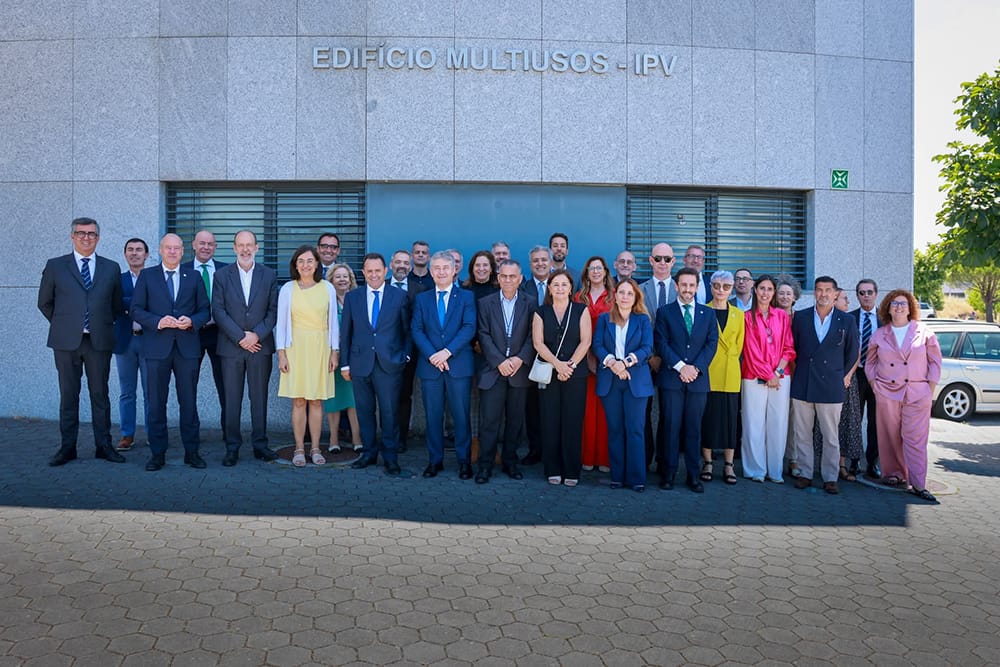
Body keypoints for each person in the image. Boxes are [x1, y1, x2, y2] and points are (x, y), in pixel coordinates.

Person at [39, 217, 126, 467]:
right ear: (72, 236)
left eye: (91, 234)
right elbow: (44, 302)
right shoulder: (56, 266)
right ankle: (67, 448)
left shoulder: (110, 268)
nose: (86, 237)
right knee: (69, 396)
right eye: (81, 233)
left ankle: (104, 446)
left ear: (98, 238)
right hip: (66, 342)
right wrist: (66, 324)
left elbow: (117, 305)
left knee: (100, 395)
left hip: (99, 341)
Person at [132, 233, 211, 471]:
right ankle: (157, 453)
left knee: (189, 402)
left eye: (177, 248)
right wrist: (157, 321)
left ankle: (192, 452)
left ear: (183, 251)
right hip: (156, 348)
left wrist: (191, 321)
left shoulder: (194, 276)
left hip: (187, 349)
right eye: (169, 248)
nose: (173, 252)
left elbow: (205, 310)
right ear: (160, 250)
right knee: (157, 403)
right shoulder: (147, 276)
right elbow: (135, 309)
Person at [865, 289, 942, 502]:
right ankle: (894, 474)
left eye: (903, 303)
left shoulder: (924, 331)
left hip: (917, 393)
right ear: (888, 308)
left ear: (910, 308)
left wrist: (930, 389)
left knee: (915, 439)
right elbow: (870, 362)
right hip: (887, 392)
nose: (899, 306)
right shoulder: (880, 334)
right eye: (895, 303)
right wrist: (874, 384)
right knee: (889, 436)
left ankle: (918, 483)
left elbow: (935, 362)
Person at [212, 230, 279, 466]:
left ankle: (260, 445)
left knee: (258, 398)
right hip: (231, 347)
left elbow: (273, 312)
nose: (245, 249)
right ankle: (232, 447)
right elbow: (218, 311)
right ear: (233, 248)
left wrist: (256, 335)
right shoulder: (221, 275)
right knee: (232, 400)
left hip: (260, 346)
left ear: (257, 248)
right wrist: (241, 337)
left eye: (249, 245)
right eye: (241, 245)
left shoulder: (269, 275)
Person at [341, 253, 410, 475]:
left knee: (389, 413)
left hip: (389, 364)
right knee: (364, 411)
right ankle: (369, 453)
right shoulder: (353, 297)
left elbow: (407, 331)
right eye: (369, 271)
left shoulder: (399, 296)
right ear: (363, 273)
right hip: (360, 364)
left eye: (377, 271)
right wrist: (345, 364)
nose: (373, 275)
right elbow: (346, 334)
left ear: (386, 271)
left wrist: (405, 357)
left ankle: (390, 457)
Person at [789, 276, 859, 494]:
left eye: (828, 290)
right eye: (819, 290)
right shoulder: (800, 317)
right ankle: (804, 473)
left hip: (831, 385)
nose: (823, 294)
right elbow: (795, 349)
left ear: (835, 293)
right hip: (804, 383)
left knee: (830, 435)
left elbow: (852, 352)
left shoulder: (846, 320)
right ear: (815, 293)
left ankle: (830, 477)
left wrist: (843, 377)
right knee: (802, 433)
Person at [412, 251, 478, 479]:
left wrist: (447, 353)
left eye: (445, 268)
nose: (440, 272)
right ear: (431, 272)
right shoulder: (423, 298)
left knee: (461, 416)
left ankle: (464, 462)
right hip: (431, 367)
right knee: (433, 416)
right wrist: (433, 355)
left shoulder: (467, 297)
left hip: (457, 365)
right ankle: (435, 461)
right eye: (436, 268)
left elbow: (469, 328)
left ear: (454, 271)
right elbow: (417, 330)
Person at [654, 267, 719, 492]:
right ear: (676, 286)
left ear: (697, 286)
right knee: (671, 427)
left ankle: (693, 475)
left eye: (692, 285)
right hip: (672, 379)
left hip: (698, 381)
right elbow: (661, 344)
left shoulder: (708, 313)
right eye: (684, 285)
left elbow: (712, 344)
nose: (688, 289)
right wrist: (681, 367)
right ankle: (668, 473)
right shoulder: (664, 312)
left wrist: (695, 368)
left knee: (694, 428)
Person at [276, 246, 339, 467]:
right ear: (295, 264)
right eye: (300, 261)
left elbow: (333, 323)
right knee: (299, 401)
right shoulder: (287, 289)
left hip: (321, 348)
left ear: (317, 263)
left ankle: (315, 448)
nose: (305, 265)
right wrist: (281, 353)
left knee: (317, 401)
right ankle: (299, 449)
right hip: (296, 349)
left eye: (310, 260)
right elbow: (281, 324)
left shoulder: (327, 288)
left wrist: (335, 351)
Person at [475, 259, 535, 483]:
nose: (508, 280)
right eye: (504, 276)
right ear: (498, 278)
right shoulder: (485, 302)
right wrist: (499, 361)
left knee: (515, 422)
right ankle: (485, 465)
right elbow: (483, 334)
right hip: (493, 370)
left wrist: (519, 359)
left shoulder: (530, 303)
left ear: (520, 279)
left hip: (519, 371)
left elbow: (532, 335)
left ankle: (510, 463)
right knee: (489, 422)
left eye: (513, 277)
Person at [593, 279, 654, 491]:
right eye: (622, 292)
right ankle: (617, 477)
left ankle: (636, 478)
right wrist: (612, 363)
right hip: (610, 381)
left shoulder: (643, 320)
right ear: (615, 295)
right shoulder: (603, 319)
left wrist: (625, 363)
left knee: (636, 429)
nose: (625, 296)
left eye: (630, 293)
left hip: (636, 382)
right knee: (616, 430)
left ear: (636, 297)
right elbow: (597, 345)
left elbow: (647, 348)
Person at [532, 270, 592, 486]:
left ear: (570, 288)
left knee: (572, 421)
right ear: (549, 288)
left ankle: (571, 470)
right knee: (550, 421)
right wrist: (558, 365)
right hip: (549, 373)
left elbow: (585, 342)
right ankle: (552, 469)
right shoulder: (541, 312)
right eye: (555, 284)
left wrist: (570, 366)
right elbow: (538, 343)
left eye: (564, 284)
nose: (559, 288)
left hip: (575, 374)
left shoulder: (581, 310)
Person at [739, 275, 795, 483]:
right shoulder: (746, 317)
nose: (765, 293)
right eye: (762, 288)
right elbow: (750, 350)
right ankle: (755, 469)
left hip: (780, 376)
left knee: (778, 423)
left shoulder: (781, 316)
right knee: (753, 423)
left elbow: (789, 348)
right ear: (755, 290)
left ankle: (775, 470)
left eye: (769, 289)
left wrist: (778, 372)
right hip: (754, 376)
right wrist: (767, 374)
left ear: (773, 293)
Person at [182, 230, 228, 441]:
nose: (206, 247)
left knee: (226, 386)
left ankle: (230, 433)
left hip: (220, 334)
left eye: (210, 244)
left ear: (215, 247)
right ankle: (191, 435)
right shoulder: (181, 270)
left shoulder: (226, 271)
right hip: (190, 334)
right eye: (202, 243)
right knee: (188, 386)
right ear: (193, 245)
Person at [701, 271, 745, 485]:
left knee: (730, 420)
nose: (721, 290)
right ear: (710, 287)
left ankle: (729, 464)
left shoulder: (739, 314)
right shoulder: (704, 311)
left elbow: (740, 344)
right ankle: (708, 461)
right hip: (709, 371)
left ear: (732, 289)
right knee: (707, 418)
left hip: (730, 372)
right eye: (717, 285)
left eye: (726, 286)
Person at [575, 255, 614, 473]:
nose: (596, 272)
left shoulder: (615, 297)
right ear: (586, 273)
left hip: (608, 359)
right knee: (588, 410)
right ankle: (587, 456)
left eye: (600, 268)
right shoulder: (578, 297)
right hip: (583, 358)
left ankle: (605, 459)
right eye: (592, 269)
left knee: (606, 410)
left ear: (606, 272)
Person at [639, 242, 677, 467]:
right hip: (646, 360)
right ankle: (643, 460)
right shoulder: (639, 290)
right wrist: (652, 355)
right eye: (658, 258)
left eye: (667, 259)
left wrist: (667, 356)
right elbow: (639, 325)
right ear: (651, 261)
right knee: (643, 412)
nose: (662, 262)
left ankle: (665, 463)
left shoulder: (681, 289)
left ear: (673, 262)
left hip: (673, 362)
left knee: (669, 415)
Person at [386, 250, 427, 452]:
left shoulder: (419, 290)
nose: (402, 265)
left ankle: (401, 437)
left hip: (409, 352)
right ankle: (387, 436)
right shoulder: (381, 285)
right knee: (385, 396)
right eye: (398, 262)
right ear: (391, 264)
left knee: (404, 395)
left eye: (405, 262)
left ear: (410, 266)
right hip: (382, 352)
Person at [112, 237, 150, 452]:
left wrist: (129, 303)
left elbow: (157, 304)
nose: (134, 253)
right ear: (125, 254)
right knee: (127, 392)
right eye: (130, 250)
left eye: (139, 250)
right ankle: (127, 434)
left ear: (147, 254)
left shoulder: (155, 278)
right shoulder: (116, 280)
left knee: (150, 391)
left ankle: (153, 433)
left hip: (149, 341)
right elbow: (114, 303)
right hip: (125, 341)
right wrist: (139, 303)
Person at [321, 264, 362, 454]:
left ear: (351, 279)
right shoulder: (325, 301)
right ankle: (334, 439)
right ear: (330, 280)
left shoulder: (357, 300)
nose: (342, 279)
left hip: (353, 357)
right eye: (337, 276)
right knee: (333, 400)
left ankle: (357, 438)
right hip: (331, 357)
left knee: (354, 400)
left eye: (346, 276)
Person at [519, 246, 552, 466]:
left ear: (551, 262)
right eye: (535, 261)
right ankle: (535, 449)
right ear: (530, 265)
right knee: (532, 407)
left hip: (558, 354)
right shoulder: (523, 287)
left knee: (554, 405)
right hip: (530, 354)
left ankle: (553, 451)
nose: (540, 264)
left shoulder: (561, 284)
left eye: (543, 260)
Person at [851, 278, 883, 478]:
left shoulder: (885, 319)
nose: (866, 296)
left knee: (875, 421)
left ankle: (873, 463)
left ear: (876, 294)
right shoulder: (849, 318)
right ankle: (853, 461)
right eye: (862, 293)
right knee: (854, 419)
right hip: (856, 374)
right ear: (857, 295)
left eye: (870, 292)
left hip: (879, 377)